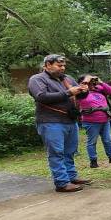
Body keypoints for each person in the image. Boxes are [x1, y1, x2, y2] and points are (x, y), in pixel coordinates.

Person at [27, 54, 91, 192]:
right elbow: (41, 97)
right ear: (48, 65)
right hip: (51, 122)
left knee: (70, 151)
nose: (62, 68)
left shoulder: (67, 78)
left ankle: (71, 177)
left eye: (63, 65)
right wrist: (68, 92)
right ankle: (62, 183)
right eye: (59, 65)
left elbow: (77, 94)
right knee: (56, 152)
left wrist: (84, 90)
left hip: (70, 120)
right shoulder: (37, 79)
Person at [76, 73, 111, 168]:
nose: (91, 83)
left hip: (105, 119)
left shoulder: (98, 89)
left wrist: (101, 82)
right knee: (92, 141)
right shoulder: (80, 92)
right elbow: (78, 92)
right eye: (89, 81)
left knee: (107, 140)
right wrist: (85, 83)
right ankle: (93, 161)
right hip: (91, 121)